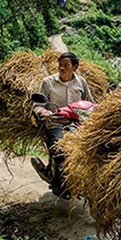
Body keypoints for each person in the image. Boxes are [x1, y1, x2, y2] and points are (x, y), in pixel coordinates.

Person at [32, 51, 93, 195]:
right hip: (55, 123)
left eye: (66, 65)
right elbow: (37, 105)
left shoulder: (81, 82)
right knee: (59, 150)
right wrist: (43, 112)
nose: (62, 68)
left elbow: (89, 103)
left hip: (77, 124)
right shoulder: (48, 83)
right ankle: (56, 182)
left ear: (75, 67)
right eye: (60, 65)